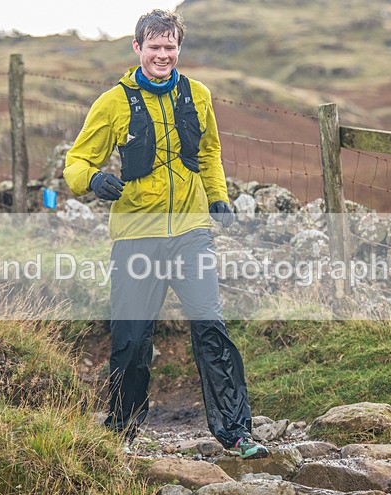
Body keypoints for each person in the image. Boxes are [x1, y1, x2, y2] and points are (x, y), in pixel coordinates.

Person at [63, 9, 268, 460]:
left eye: (169, 47)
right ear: (137, 48)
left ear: (179, 48)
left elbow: (210, 151)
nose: (162, 54)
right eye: (153, 47)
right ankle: (121, 433)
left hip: (191, 232)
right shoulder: (113, 102)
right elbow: (76, 162)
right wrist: (93, 181)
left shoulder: (198, 95)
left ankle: (236, 433)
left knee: (211, 327)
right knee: (132, 339)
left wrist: (218, 196)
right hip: (137, 235)